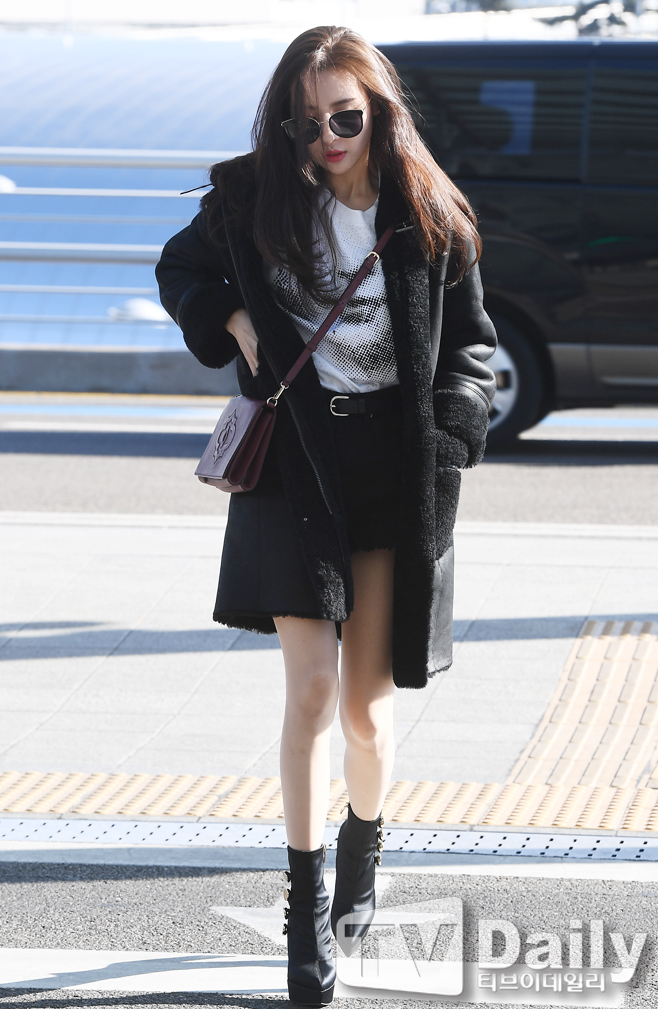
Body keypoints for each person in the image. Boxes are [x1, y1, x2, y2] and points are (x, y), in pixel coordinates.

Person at [157, 24, 496, 1005]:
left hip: (391, 473)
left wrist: (448, 441)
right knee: (308, 691)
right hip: (294, 463)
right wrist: (232, 318)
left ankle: (364, 841)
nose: (326, 140)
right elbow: (180, 269)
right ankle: (305, 912)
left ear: (379, 112)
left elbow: (471, 353)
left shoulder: (430, 215)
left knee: (364, 712)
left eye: (344, 119)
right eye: (304, 124)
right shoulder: (253, 199)